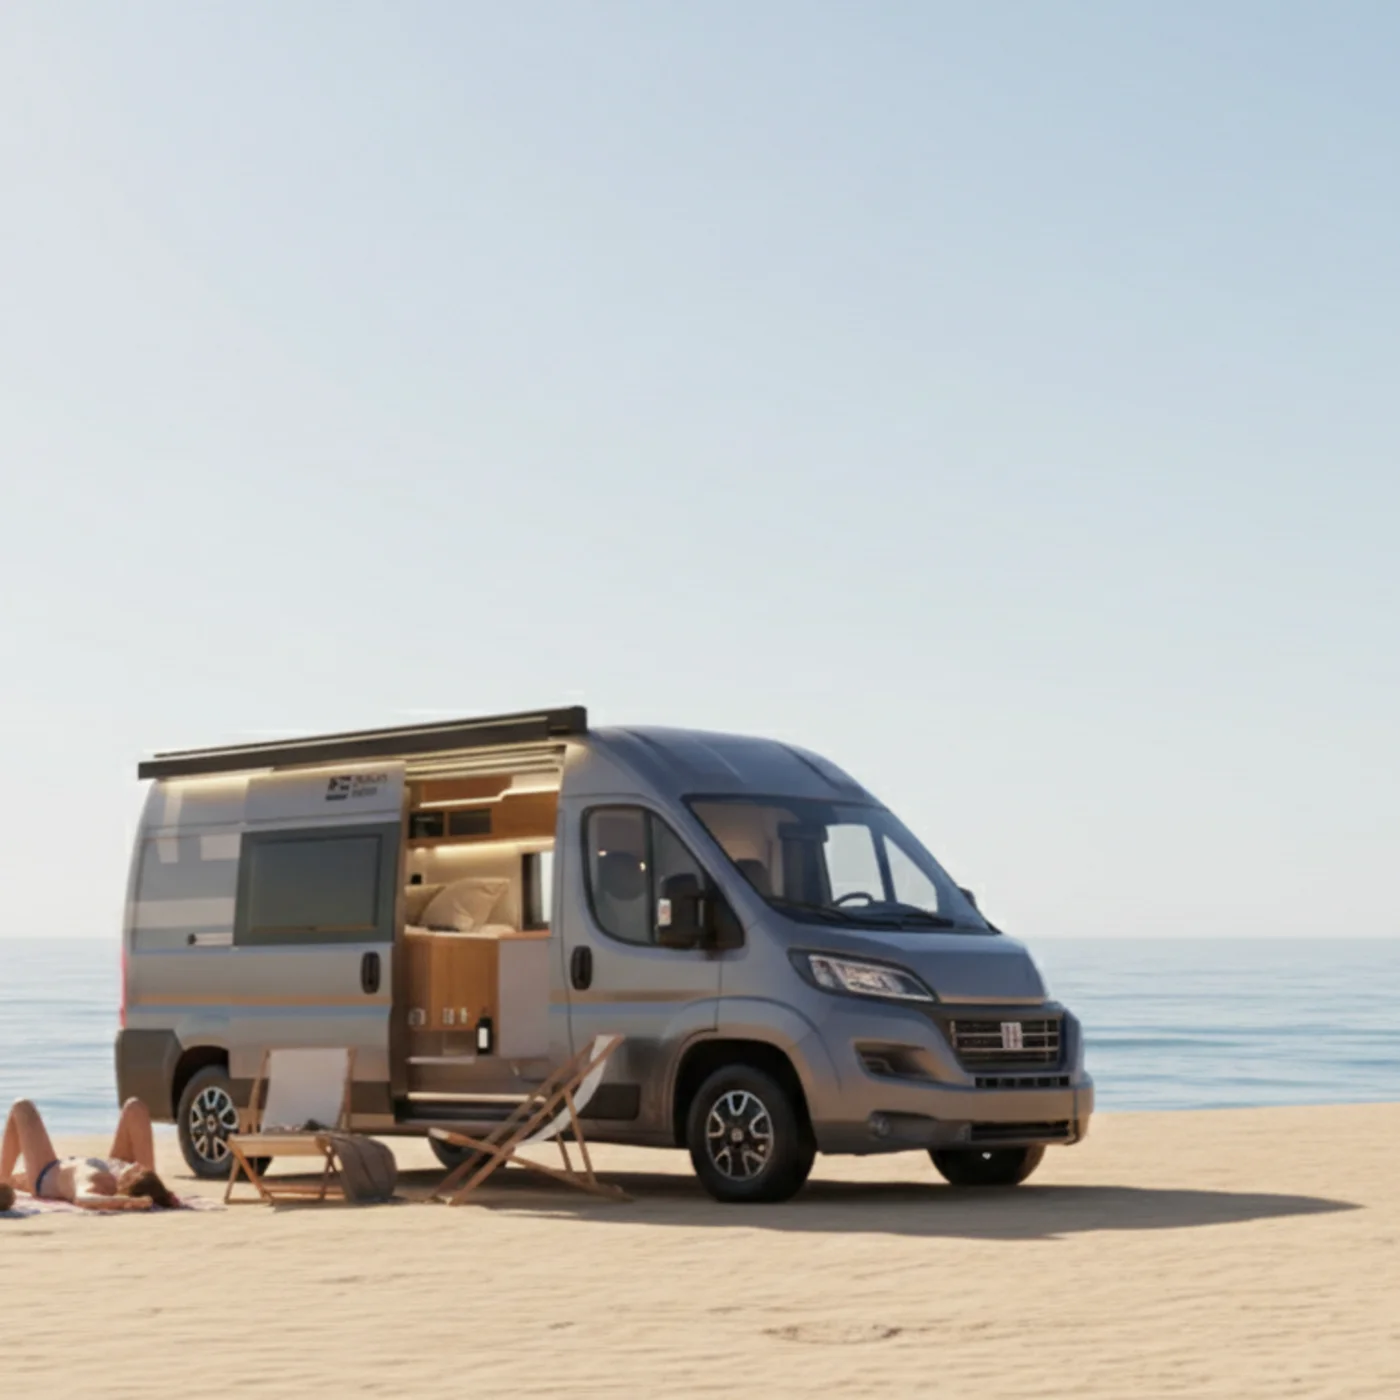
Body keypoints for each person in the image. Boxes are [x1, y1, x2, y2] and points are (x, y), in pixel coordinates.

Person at [1, 1097, 180, 1210]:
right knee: (135, 1107)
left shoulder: (94, 1180)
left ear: (125, 1185)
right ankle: (154, 1189)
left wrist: (127, 1202)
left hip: (46, 1173)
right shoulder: (117, 1173)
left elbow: (84, 1199)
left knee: (22, 1107)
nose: (136, 1165)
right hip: (110, 1173)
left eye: (135, 1171)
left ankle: (2, 1181)